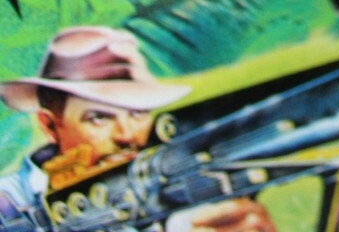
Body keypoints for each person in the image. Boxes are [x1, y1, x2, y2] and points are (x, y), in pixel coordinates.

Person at [0, 26, 274, 232]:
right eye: (99, 118)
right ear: (50, 125)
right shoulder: (10, 201)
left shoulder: (165, 188)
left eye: (138, 113)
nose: (127, 134)